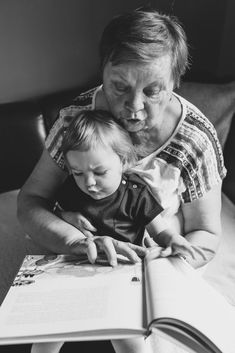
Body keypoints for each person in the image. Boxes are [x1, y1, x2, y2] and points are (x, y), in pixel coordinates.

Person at [17, 8, 226, 352]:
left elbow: (206, 233)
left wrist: (163, 260)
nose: (134, 107)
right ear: (102, 73)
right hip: (76, 254)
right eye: (120, 86)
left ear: (175, 82)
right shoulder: (75, 121)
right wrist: (74, 242)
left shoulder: (195, 140)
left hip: (147, 266)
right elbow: (31, 202)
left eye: (153, 91)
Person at [31, 109, 205, 353]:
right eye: (78, 173)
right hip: (75, 269)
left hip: (122, 272)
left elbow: (160, 232)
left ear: (124, 162)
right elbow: (53, 214)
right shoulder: (72, 189)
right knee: (45, 335)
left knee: (129, 340)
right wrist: (66, 216)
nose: (88, 182)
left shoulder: (136, 194)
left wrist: (174, 240)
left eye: (99, 172)